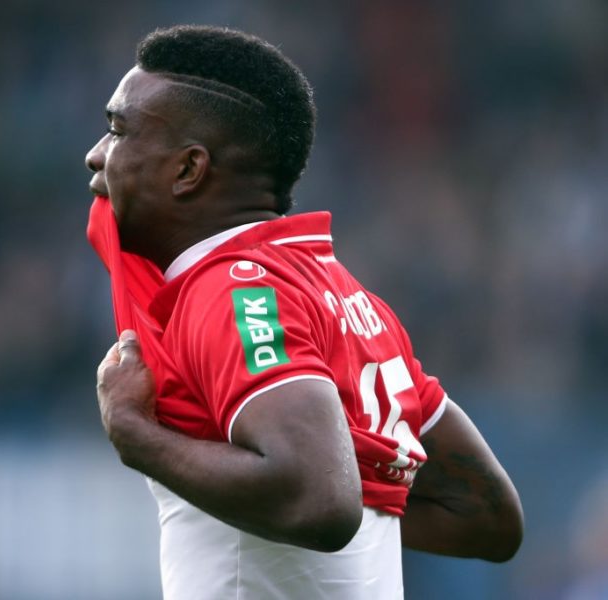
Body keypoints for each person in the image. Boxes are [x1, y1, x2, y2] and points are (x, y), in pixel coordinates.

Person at [86, 25, 523, 599]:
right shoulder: (347, 298)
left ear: (188, 170)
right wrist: (359, 493)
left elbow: (319, 501)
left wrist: (135, 434)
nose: (96, 154)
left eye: (119, 130)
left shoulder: (228, 291)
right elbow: (486, 515)